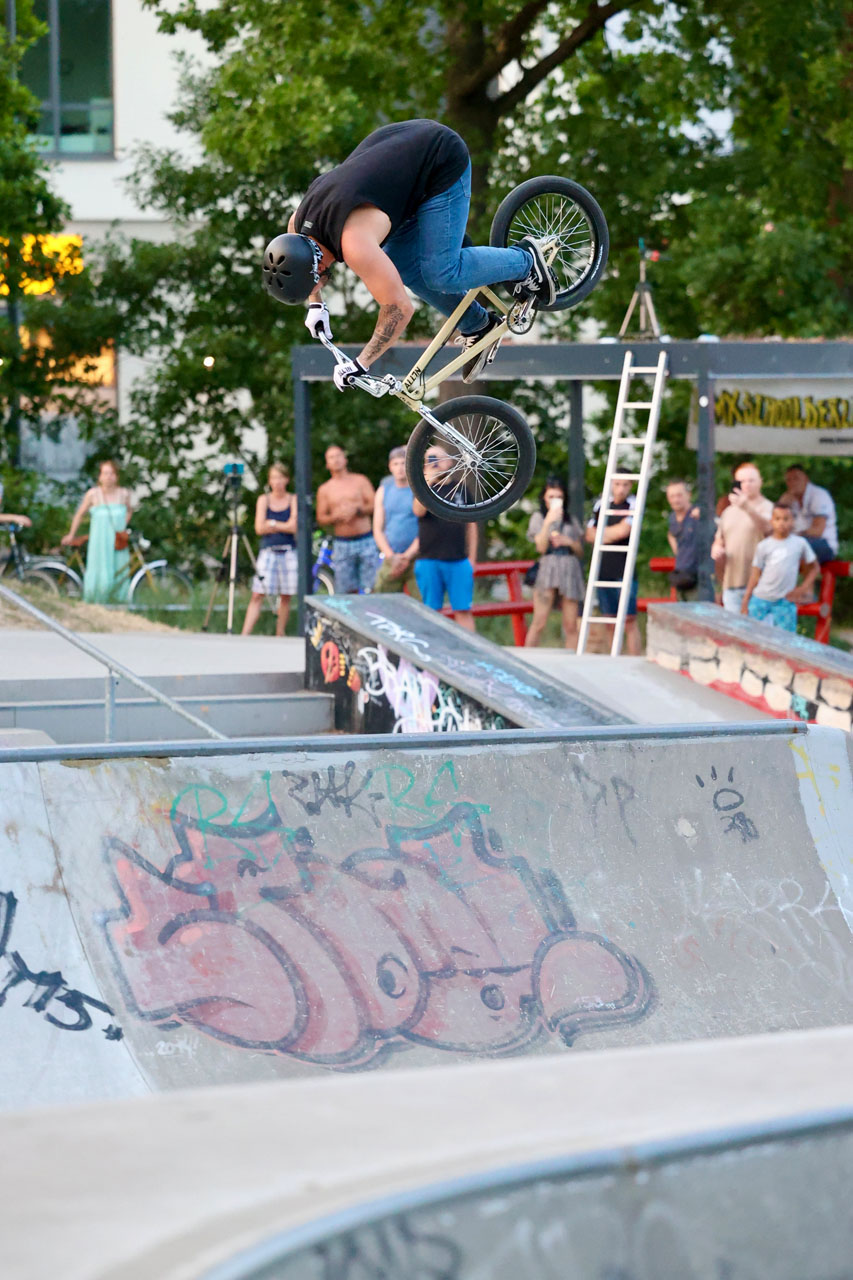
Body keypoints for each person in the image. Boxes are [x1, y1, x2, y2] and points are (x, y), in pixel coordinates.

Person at [262, 119, 557, 386]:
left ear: (317, 268)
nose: (317, 289)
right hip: (402, 163)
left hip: (440, 159)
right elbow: (303, 254)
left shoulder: (354, 243)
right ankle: (478, 325)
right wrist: (315, 306)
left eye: (314, 286)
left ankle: (527, 262)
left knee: (442, 272)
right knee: (402, 265)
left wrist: (361, 363)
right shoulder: (299, 225)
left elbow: (399, 309)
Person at [412, 445, 478, 632]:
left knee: (463, 609)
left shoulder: (460, 488)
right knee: (431, 611)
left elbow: (471, 525)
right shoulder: (423, 489)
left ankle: (469, 647)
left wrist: (472, 558)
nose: (434, 463)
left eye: (437, 459)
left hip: (458, 559)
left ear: (449, 462)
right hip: (429, 559)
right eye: (430, 459)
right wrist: (428, 481)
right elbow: (418, 511)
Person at [524, 477, 584, 649]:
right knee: (539, 622)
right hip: (548, 567)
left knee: (571, 625)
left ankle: (572, 658)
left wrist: (569, 542)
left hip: (569, 568)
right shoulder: (538, 517)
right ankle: (527, 655)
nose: (555, 500)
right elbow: (540, 547)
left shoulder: (570, 519)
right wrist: (548, 522)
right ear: (544, 498)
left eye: (559, 497)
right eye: (551, 496)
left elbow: (580, 551)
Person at [61, 459, 132, 603]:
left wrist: (122, 527)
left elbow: (129, 510)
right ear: (100, 476)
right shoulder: (93, 494)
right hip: (100, 541)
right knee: (99, 568)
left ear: (117, 476)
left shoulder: (124, 494)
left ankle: (119, 601)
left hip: (117, 541)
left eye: (112, 473)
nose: (108, 477)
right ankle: (96, 600)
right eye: (105, 473)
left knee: (120, 567)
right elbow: (79, 514)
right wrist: (71, 534)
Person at [741, 502, 819, 632]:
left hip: (785, 600)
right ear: (771, 521)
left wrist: (803, 588)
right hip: (761, 597)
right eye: (777, 519)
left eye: (786, 519)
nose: (781, 523)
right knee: (751, 633)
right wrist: (746, 599)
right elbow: (755, 574)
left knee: (786, 638)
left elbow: (815, 568)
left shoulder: (800, 544)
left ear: (792, 521)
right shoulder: (764, 546)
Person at [585, 477, 641, 656]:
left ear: (631, 486)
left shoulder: (633, 504)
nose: (620, 489)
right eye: (617, 484)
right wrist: (608, 534)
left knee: (629, 620)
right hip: (603, 569)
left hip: (624, 569)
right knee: (609, 620)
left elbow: (623, 531)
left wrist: (600, 535)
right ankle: (614, 658)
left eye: (625, 484)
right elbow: (589, 534)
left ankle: (633, 660)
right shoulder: (601, 504)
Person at [242, 463, 297, 637]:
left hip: (288, 550)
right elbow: (259, 528)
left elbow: (293, 527)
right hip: (268, 551)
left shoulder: (293, 499)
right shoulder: (263, 500)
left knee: (286, 595)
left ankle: (280, 632)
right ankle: (245, 634)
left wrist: (272, 523)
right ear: (269, 481)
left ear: (286, 479)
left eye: (280, 477)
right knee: (258, 593)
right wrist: (283, 525)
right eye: (274, 478)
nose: (277, 482)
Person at [315, 445, 380, 594]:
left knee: (372, 586)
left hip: (365, 540)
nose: (336, 460)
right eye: (331, 457)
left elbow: (375, 504)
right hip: (342, 543)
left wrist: (357, 510)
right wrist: (336, 516)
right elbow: (321, 518)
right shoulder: (325, 489)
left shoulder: (360, 481)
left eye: (338, 456)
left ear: (345, 459)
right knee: (346, 590)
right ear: (327, 464)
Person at [711, 462, 773, 613]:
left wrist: (747, 508)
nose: (747, 485)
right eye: (742, 481)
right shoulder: (728, 512)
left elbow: (768, 529)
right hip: (732, 583)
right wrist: (717, 549)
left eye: (751, 480)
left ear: (760, 482)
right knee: (733, 627)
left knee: (759, 627)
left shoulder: (768, 507)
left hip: (761, 585)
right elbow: (719, 540)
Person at [372, 446, 420, 596]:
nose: (399, 468)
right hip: (391, 556)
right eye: (396, 464)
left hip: (416, 557)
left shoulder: (418, 490)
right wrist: (391, 556)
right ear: (390, 466)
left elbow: (426, 526)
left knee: (422, 602)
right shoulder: (383, 491)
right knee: (382, 600)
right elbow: (378, 529)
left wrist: (407, 556)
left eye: (403, 463)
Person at [782, 465, 838, 565]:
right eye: (789, 480)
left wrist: (794, 535)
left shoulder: (819, 495)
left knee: (791, 546)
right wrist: (782, 505)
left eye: (796, 478)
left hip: (824, 544)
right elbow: (776, 522)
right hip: (798, 541)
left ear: (806, 479)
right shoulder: (787, 498)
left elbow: (817, 531)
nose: (792, 482)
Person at [665, 478, 701, 598]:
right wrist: (679, 553)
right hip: (681, 576)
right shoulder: (672, 518)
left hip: (700, 578)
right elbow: (671, 534)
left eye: (679, 495)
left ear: (688, 495)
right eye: (672, 496)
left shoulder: (699, 514)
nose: (676, 500)